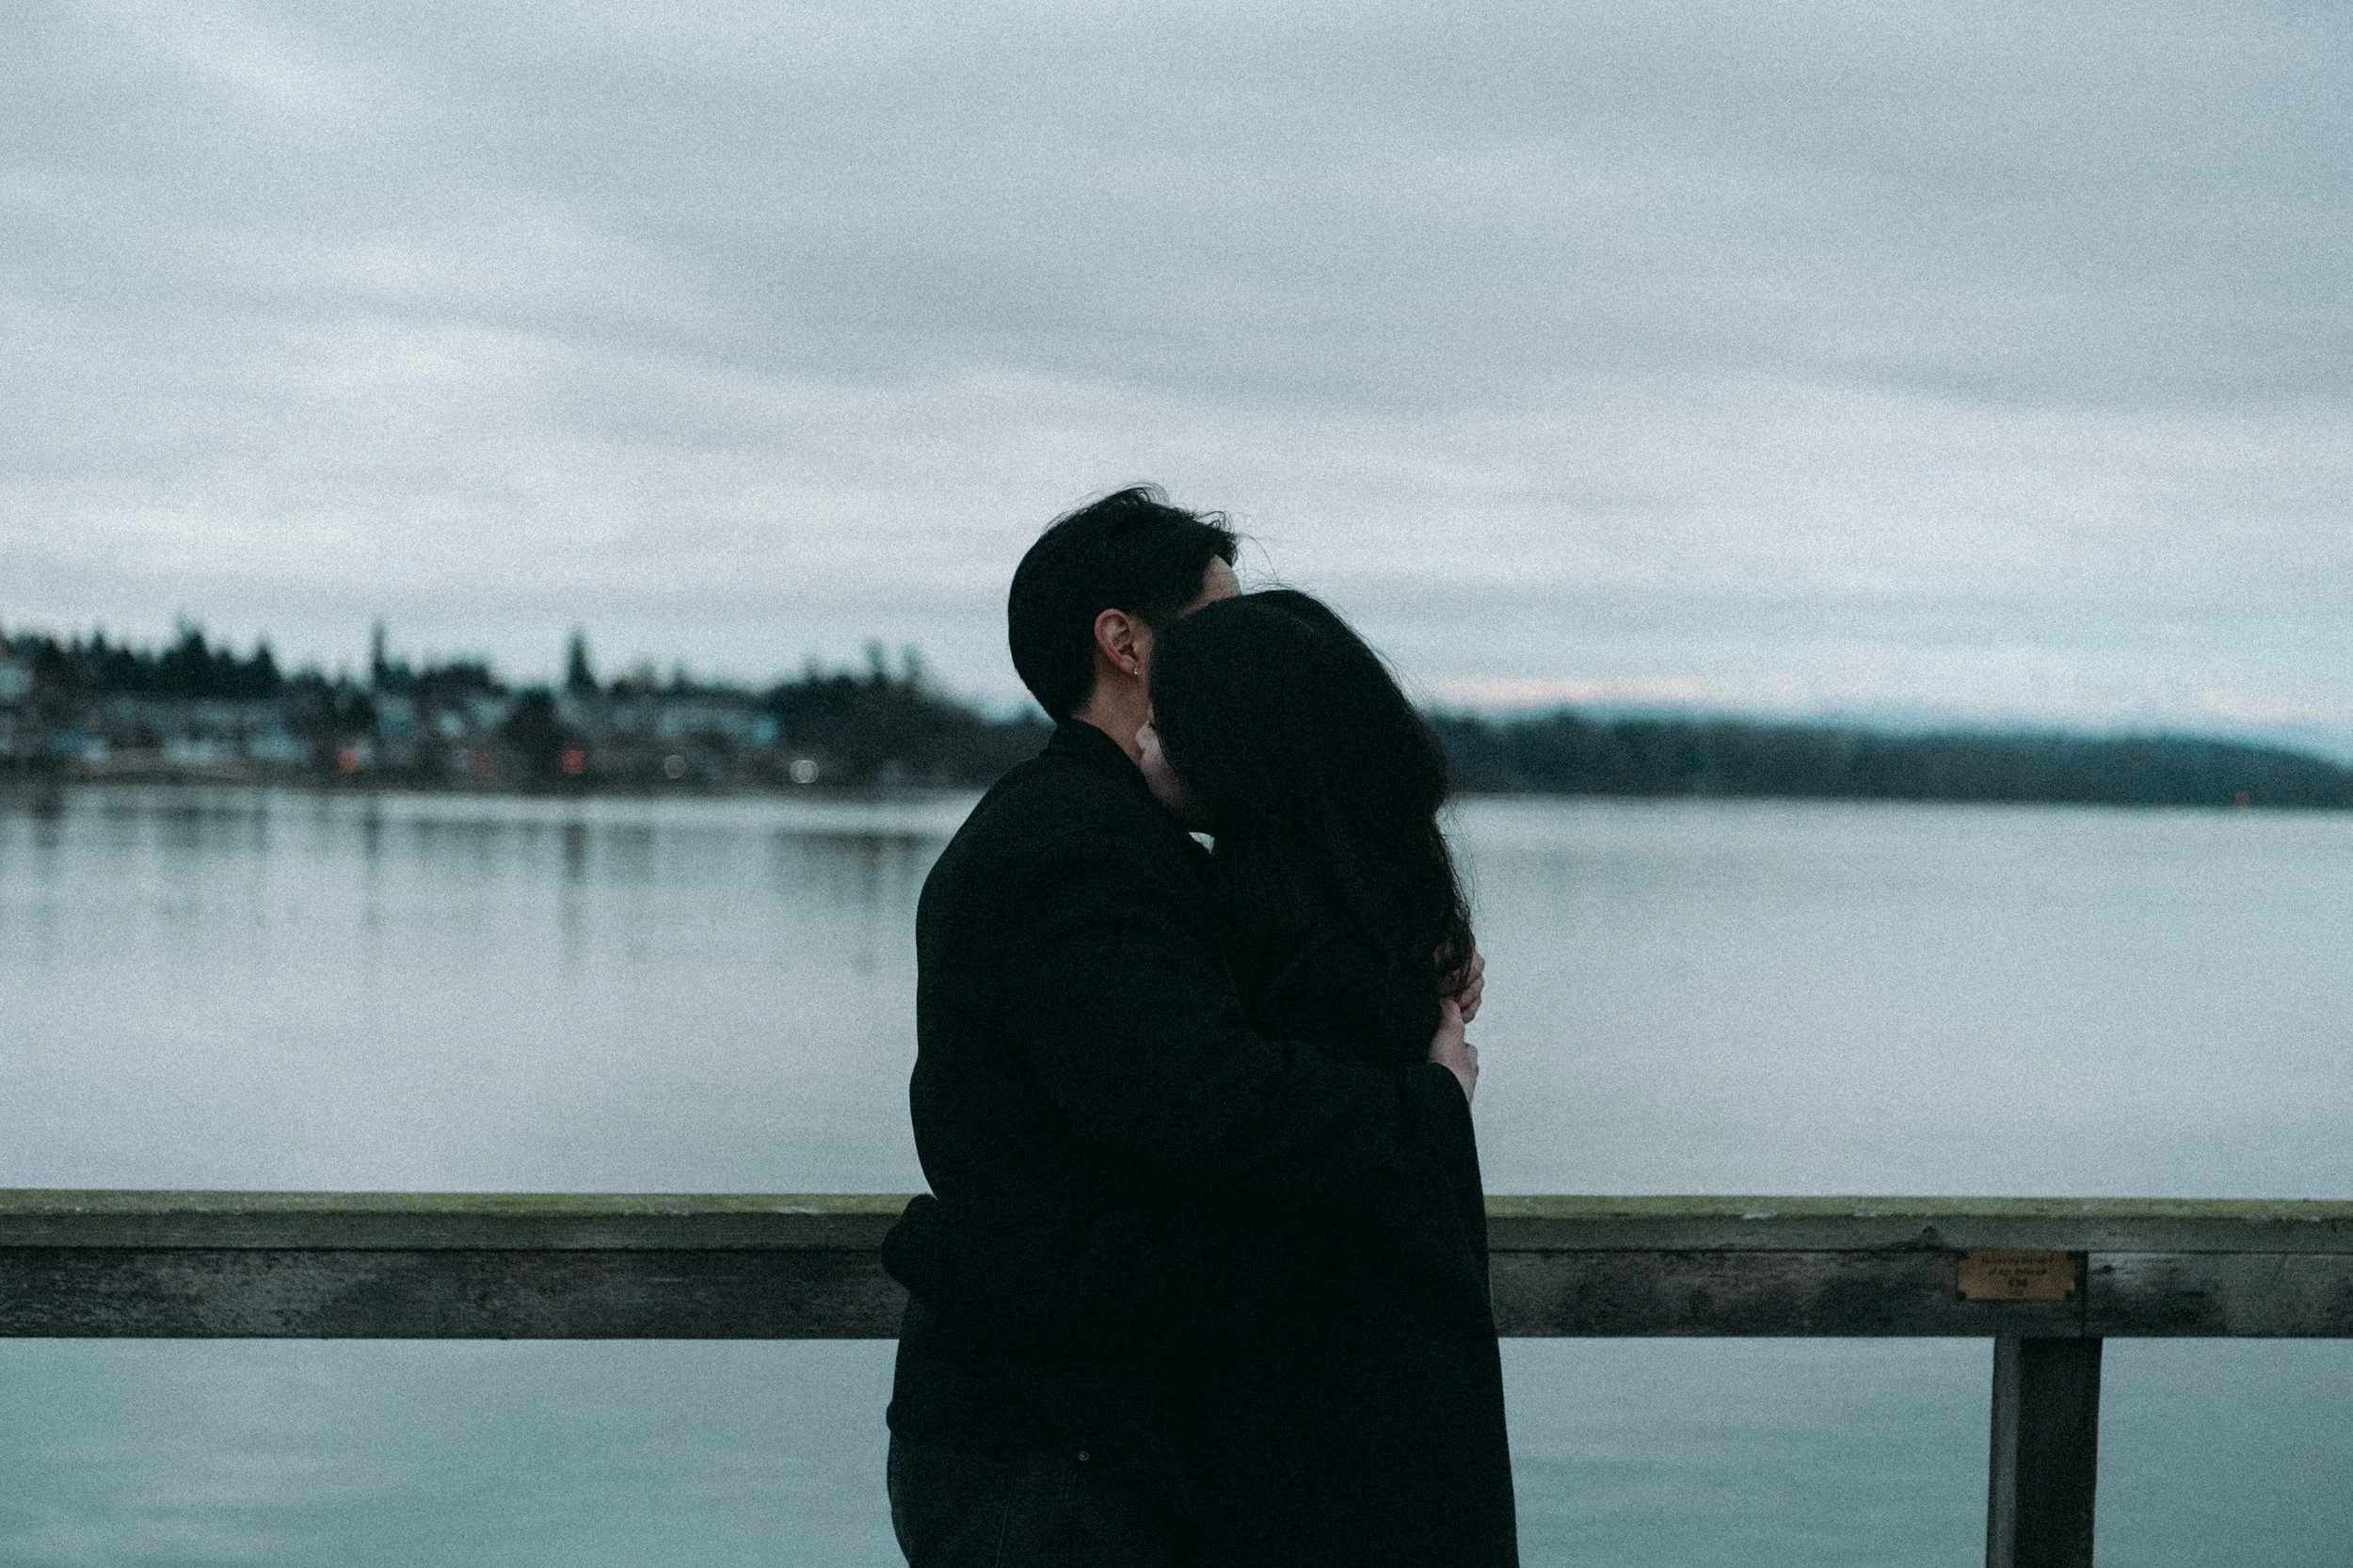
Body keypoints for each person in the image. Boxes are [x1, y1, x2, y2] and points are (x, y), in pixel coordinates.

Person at [881, 488, 1484, 1566]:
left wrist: (1401, 956)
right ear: (1124, 643)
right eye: (1220, 621)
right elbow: (1206, 1101)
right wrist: (1428, 1101)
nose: (1250, 648)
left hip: (1093, 1433)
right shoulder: (1072, 850)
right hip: (1054, 1452)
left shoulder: (1131, 841)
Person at [1139, 589, 1516, 1567]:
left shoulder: (1304, 949)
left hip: (1334, 1436)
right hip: (1390, 1418)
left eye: (1166, 721)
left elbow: (1278, 1183)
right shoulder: (1363, 907)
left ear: (1237, 749)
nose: (1143, 735)